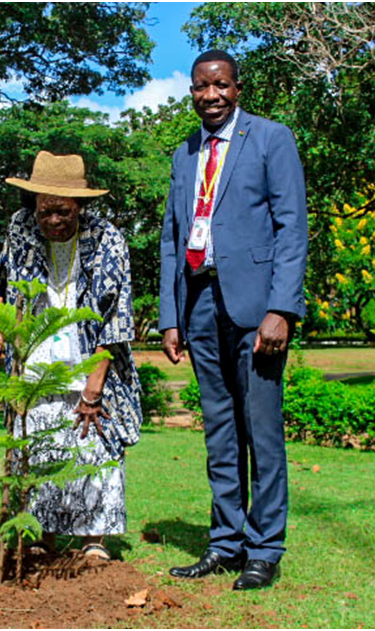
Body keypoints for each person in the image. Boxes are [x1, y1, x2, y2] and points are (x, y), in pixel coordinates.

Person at [159, 50, 308, 589]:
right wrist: (170, 316)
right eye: (201, 87)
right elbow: (174, 238)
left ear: (237, 88)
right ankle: (225, 543)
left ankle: (264, 548)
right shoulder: (184, 153)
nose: (211, 96)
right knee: (220, 434)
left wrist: (281, 309)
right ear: (193, 92)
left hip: (257, 311)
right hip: (199, 304)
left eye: (220, 85)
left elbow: (292, 228)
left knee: (261, 432)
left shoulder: (272, 139)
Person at [0, 151, 142, 560]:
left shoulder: (108, 239)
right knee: (40, 446)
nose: (53, 220)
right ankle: (42, 535)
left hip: (90, 360)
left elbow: (116, 320)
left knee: (93, 446)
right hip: (35, 359)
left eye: (64, 212)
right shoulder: (20, 229)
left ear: (81, 207)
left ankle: (94, 540)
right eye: (45, 211)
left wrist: (94, 387)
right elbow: (0, 282)